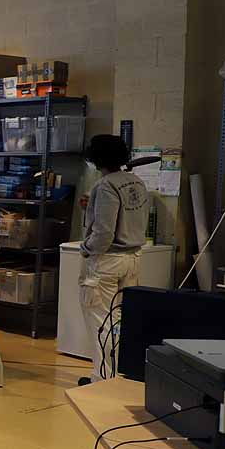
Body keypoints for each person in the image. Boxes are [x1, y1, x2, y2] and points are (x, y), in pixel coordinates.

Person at [78, 134, 149, 383]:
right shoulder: (136, 182)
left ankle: (102, 380)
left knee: (102, 324)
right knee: (119, 321)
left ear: (96, 159)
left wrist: (86, 248)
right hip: (133, 258)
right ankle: (117, 375)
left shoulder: (105, 185)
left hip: (107, 261)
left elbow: (104, 232)